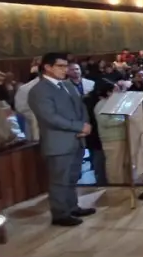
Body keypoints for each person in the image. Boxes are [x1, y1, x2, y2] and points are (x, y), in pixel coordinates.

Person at [28, 52, 94, 227]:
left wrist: (85, 124)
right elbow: (50, 117)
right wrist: (78, 127)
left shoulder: (67, 85)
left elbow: (81, 107)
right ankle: (59, 214)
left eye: (66, 66)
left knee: (72, 177)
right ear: (48, 67)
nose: (66, 70)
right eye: (61, 66)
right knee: (59, 180)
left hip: (77, 139)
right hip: (58, 142)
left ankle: (72, 207)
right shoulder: (39, 90)